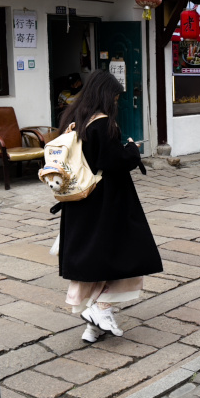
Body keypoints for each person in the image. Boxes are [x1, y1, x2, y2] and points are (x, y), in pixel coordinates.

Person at [57, 69, 163, 343]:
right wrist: (132, 150)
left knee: (96, 264)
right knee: (128, 256)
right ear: (105, 94)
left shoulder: (72, 118)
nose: (116, 101)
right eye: (115, 96)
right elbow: (113, 160)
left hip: (80, 202)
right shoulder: (102, 123)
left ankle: (94, 327)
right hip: (106, 202)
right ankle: (102, 309)